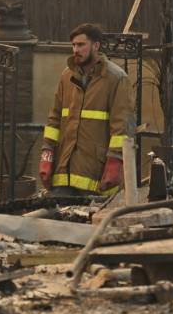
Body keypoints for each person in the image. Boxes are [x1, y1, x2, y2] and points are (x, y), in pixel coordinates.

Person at [39, 23, 134, 196]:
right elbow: (54, 119)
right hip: (63, 173)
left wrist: (115, 161)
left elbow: (122, 126)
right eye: (74, 45)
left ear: (96, 46)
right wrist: (47, 154)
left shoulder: (116, 79)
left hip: (96, 175)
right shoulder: (67, 76)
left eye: (81, 45)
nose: (75, 49)